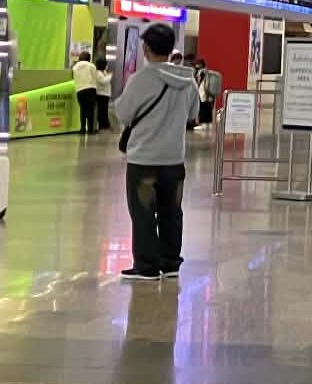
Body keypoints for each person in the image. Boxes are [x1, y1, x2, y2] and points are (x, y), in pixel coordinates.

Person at [116, 22, 199, 281]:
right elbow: (194, 114)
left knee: (143, 212)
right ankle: (171, 261)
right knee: (171, 212)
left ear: (146, 48)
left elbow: (124, 113)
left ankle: (147, 265)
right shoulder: (188, 80)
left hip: (144, 159)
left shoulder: (141, 80)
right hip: (174, 159)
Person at [73, 51, 101, 135]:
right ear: (89, 58)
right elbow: (95, 77)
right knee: (90, 110)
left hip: (80, 90)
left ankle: (82, 129)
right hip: (90, 89)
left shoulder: (75, 67)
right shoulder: (91, 66)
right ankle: (90, 130)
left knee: (82, 110)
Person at [197, 57, 223, 129]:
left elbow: (199, 83)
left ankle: (204, 125)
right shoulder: (209, 72)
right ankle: (208, 125)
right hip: (210, 94)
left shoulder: (201, 72)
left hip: (203, 94)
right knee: (209, 110)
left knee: (202, 110)